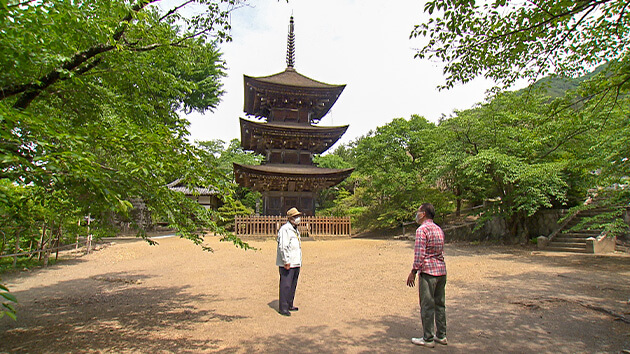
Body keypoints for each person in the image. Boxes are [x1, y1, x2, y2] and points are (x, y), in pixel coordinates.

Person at [406, 203, 447, 347]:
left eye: (418, 211)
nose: (417, 214)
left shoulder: (422, 230)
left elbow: (419, 254)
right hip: (441, 271)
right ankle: (441, 335)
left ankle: (428, 338)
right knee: (440, 304)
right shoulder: (438, 229)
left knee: (427, 304)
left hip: (428, 272)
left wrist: (413, 271)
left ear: (423, 214)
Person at [276, 207, 303, 316]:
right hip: (288, 262)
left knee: (293, 284)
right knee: (286, 285)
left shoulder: (295, 229)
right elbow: (283, 246)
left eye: (298, 216)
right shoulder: (285, 229)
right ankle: (283, 307)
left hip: (296, 261)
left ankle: (289, 303)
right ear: (291, 218)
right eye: (296, 217)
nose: (298, 219)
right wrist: (286, 260)